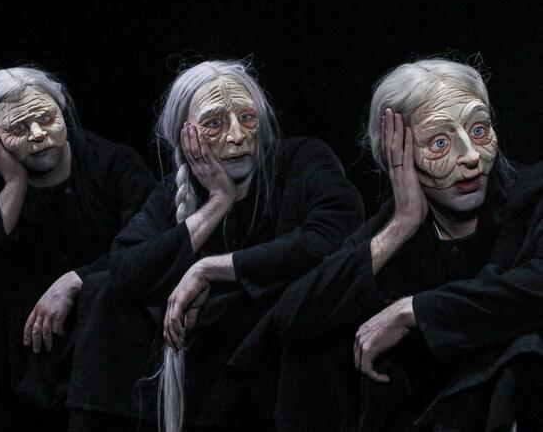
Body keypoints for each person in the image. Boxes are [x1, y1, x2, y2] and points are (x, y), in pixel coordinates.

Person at [65, 59, 364, 431]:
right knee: (102, 294)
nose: (237, 136)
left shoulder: (300, 159)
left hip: (273, 356)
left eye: (247, 118)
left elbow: (331, 233)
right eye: (214, 123)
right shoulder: (173, 192)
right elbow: (124, 270)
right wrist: (218, 202)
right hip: (206, 362)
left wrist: (210, 269)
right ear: (185, 135)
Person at [253, 57, 539, 431]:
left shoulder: (533, 193)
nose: (471, 156)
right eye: (439, 142)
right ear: (396, 154)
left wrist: (413, 311)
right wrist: (402, 225)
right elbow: (293, 318)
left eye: (480, 130)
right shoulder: (394, 226)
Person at [0, 66, 155, 432]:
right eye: (19, 128)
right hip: (20, 363)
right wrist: (14, 182)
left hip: (102, 349)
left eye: (46, 118)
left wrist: (76, 280)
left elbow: (150, 246)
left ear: (62, 110)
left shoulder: (113, 164)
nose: (39, 135)